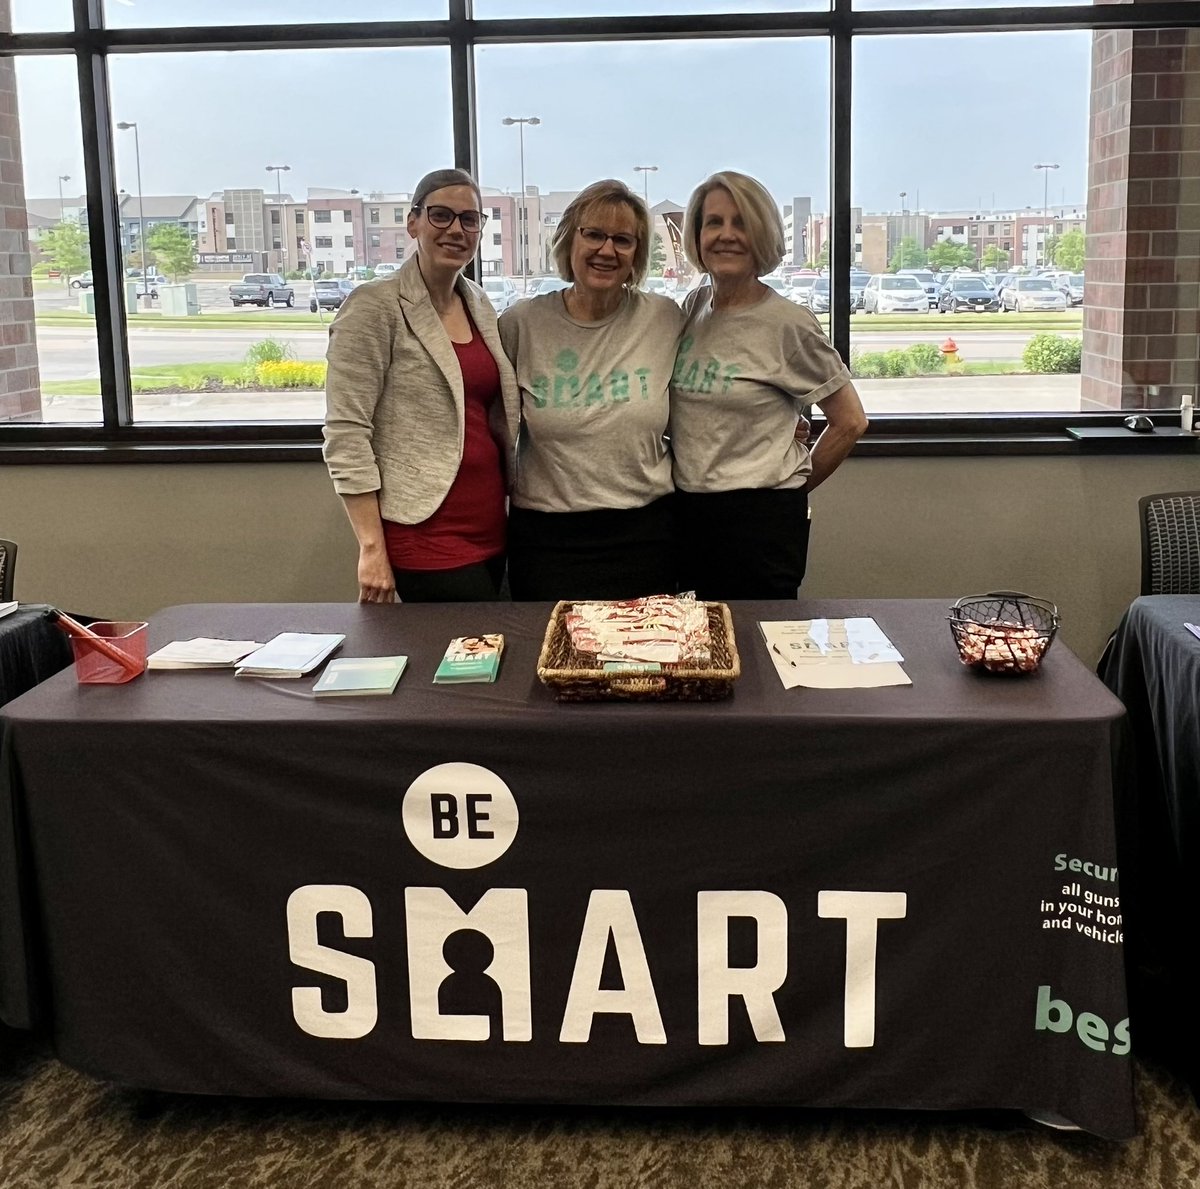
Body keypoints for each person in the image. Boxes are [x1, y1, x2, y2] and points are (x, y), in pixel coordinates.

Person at [322, 168, 519, 602]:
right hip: (424, 534)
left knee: (487, 662)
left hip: (492, 528)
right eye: (441, 215)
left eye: (470, 219)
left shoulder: (479, 303)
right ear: (413, 223)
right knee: (452, 662)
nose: (456, 229)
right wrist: (371, 548)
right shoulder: (376, 306)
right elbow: (347, 432)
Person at [669, 171, 868, 600]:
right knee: (701, 654)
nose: (726, 235)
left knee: (757, 657)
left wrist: (792, 487)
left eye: (741, 223)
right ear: (697, 235)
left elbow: (850, 421)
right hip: (689, 516)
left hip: (759, 524)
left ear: (762, 234)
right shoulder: (695, 306)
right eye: (714, 222)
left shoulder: (787, 323)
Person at [498, 179, 683, 601]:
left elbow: (714, 380)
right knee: (550, 663)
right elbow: (487, 418)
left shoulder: (665, 318)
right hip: (547, 540)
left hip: (645, 536)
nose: (606, 250)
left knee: (642, 662)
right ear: (569, 239)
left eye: (622, 239)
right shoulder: (520, 324)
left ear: (637, 253)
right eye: (594, 234)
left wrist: (789, 421)